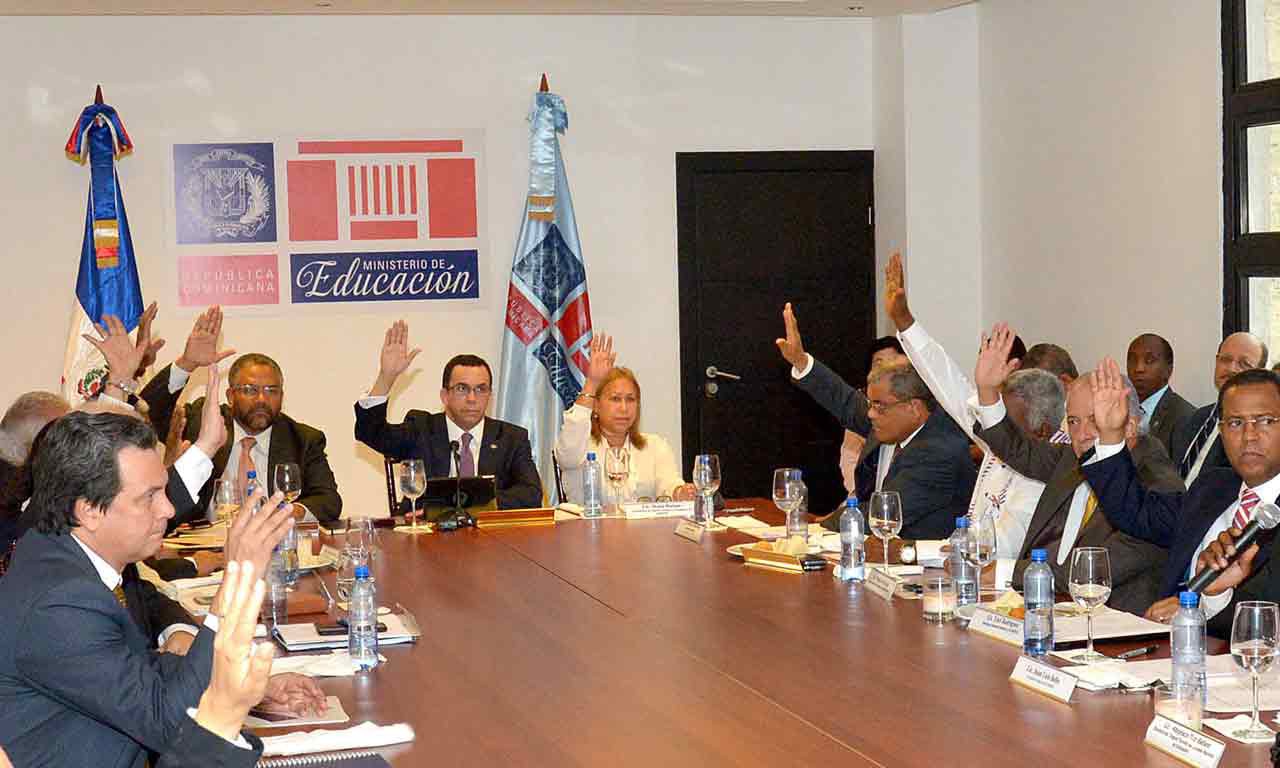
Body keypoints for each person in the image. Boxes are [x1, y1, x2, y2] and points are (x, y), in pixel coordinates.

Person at [0, 410, 323, 767]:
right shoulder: (59, 604)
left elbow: (134, 671)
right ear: (88, 510)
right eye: (149, 497)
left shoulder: (58, 556)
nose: (168, 509)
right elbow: (172, 723)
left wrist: (247, 689)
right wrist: (235, 583)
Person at [973, 324, 1183, 615]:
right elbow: (1018, 449)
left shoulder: (1156, 484)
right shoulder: (1075, 457)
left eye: (1094, 420)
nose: (1082, 434)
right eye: (1073, 421)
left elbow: (1089, 574)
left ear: (1130, 424)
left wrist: (1005, 571)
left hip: (1116, 633)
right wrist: (987, 393)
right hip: (1046, 612)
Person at [885, 252, 1060, 557]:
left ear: (1042, 430)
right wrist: (905, 321)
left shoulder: (1044, 474)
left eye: (1005, 419)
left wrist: (909, 553)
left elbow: (993, 551)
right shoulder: (997, 440)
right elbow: (947, 383)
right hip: (963, 573)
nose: (994, 425)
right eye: (996, 413)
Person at [1083, 363, 1280, 626]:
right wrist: (1110, 436)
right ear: (1221, 432)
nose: (1249, 436)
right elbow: (1137, 513)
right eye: (1235, 423)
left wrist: (1197, 610)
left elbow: (1268, 610)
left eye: (1265, 421)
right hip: (1162, 649)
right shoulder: (1213, 487)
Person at [776, 304, 976, 540]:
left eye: (878, 405)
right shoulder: (892, 418)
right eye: (871, 404)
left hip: (925, 566)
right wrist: (801, 362)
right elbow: (846, 400)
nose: (870, 414)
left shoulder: (939, 451)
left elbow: (883, 515)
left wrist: (819, 527)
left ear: (914, 407)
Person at [142, 311, 343, 527]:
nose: (261, 399)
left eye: (271, 390)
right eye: (249, 390)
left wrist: (289, 511)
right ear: (230, 396)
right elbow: (146, 412)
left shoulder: (303, 439)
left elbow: (329, 500)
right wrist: (186, 364)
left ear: (282, 397)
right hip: (202, 550)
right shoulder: (202, 423)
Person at [354, 320, 543, 513]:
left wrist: (461, 504)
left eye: (480, 389)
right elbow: (370, 432)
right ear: (445, 395)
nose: (472, 399)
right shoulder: (421, 429)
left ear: (490, 396)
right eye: (462, 389)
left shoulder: (511, 437)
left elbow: (531, 494)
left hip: (489, 537)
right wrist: (386, 378)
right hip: (426, 538)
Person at [155, 559, 270, 768]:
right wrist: (221, 717)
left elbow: (146, 665)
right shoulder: (81, 599)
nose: (163, 523)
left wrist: (252, 686)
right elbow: (160, 718)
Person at [555, 334, 695, 505]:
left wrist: (681, 492)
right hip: (588, 530)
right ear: (596, 406)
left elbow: (669, 485)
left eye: (630, 399)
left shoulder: (655, 446)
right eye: (615, 399)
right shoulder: (580, 445)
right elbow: (566, 455)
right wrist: (592, 382)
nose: (624, 408)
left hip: (642, 531)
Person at [1170, 332, 1269, 485]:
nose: (1231, 369)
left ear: (1260, 373)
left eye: (1244, 364)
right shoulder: (1190, 420)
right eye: (1226, 360)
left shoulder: (1258, 433)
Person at [1126, 333, 1195, 459]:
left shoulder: (1185, 417)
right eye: (1132, 360)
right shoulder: (1121, 409)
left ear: (1169, 370)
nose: (1138, 368)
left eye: (1149, 360)